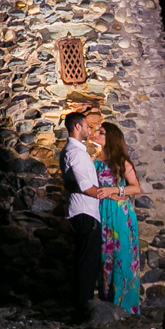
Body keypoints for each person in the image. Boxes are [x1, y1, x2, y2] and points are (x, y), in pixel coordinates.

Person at [93, 121, 144, 314]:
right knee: (105, 257)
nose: (97, 133)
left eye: (102, 132)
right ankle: (108, 307)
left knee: (122, 256)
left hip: (120, 214)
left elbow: (136, 187)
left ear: (111, 138)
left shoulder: (122, 161)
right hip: (102, 214)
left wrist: (114, 189)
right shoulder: (94, 160)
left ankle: (126, 307)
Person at [60, 108, 105, 316]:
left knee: (86, 260)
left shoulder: (74, 152)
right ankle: (83, 307)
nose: (90, 129)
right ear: (77, 127)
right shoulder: (76, 153)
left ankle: (82, 305)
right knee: (87, 261)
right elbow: (85, 185)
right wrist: (108, 193)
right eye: (87, 126)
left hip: (83, 211)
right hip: (85, 212)